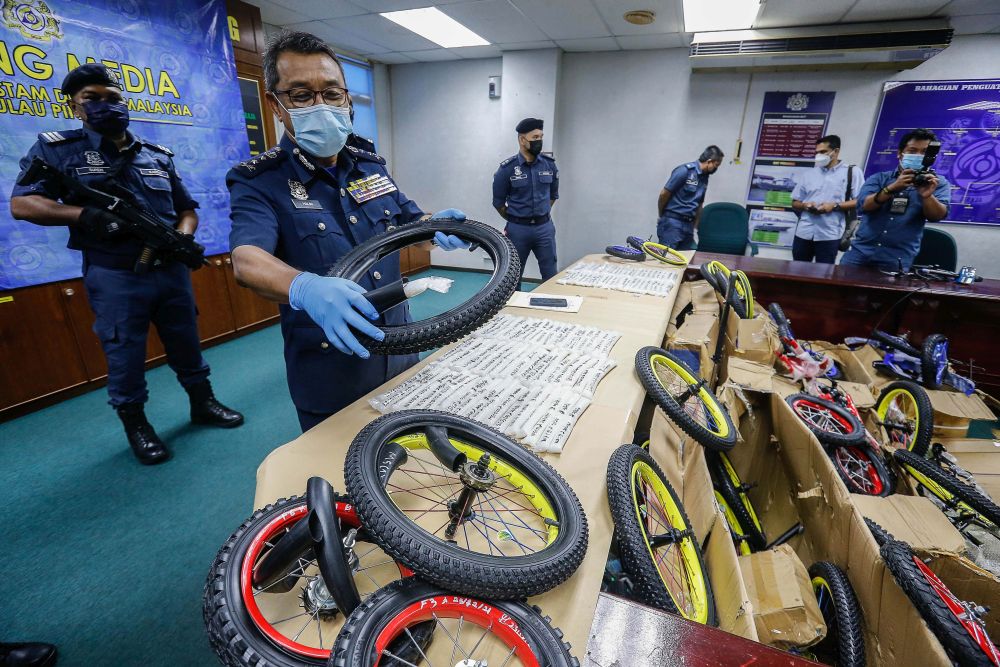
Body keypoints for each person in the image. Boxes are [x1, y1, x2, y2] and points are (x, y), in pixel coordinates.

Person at [226, 31, 470, 433]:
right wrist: (304, 287)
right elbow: (246, 260)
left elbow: (407, 222)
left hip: (401, 344)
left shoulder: (368, 164)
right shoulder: (259, 180)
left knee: (415, 460)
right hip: (333, 365)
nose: (320, 105)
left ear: (347, 99)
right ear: (275, 105)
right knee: (343, 475)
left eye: (332, 93)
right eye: (302, 96)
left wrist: (435, 227)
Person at [10, 63, 243, 466]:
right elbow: (22, 203)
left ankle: (202, 403)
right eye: (92, 99)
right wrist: (83, 216)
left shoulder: (155, 155)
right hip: (115, 274)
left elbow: (187, 208)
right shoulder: (56, 150)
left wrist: (183, 236)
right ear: (75, 107)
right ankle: (137, 424)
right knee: (125, 354)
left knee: (187, 343)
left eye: (113, 97)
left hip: (168, 269)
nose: (105, 105)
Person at [841, 128, 950, 271]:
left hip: (897, 259)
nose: (918, 155)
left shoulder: (938, 183)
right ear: (900, 154)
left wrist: (927, 196)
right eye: (912, 151)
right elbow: (863, 206)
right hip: (859, 254)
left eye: (924, 152)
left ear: (931, 156)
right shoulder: (879, 178)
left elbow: (937, 216)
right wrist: (892, 188)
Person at [492, 118, 559, 280]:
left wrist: (540, 214)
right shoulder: (506, 169)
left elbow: (552, 196)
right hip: (518, 230)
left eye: (541, 137)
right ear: (522, 140)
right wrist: (516, 219)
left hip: (544, 228)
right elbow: (499, 203)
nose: (539, 141)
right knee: (512, 275)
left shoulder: (549, 165)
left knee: (550, 273)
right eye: (535, 138)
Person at [790, 135, 864, 264]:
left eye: (823, 152)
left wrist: (834, 206)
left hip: (829, 234)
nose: (819, 155)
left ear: (835, 151)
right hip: (804, 232)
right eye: (817, 152)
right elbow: (794, 202)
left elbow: (861, 201)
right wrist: (805, 205)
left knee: (823, 274)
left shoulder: (852, 172)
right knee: (797, 270)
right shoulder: (809, 174)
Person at [656, 146, 723, 250]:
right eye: (716, 165)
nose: (716, 169)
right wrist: (662, 215)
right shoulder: (685, 171)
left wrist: (695, 228)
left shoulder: (705, 178)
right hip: (673, 223)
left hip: (688, 226)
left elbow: (699, 204)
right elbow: (664, 194)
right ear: (709, 161)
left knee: (685, 261)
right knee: (666, 260)